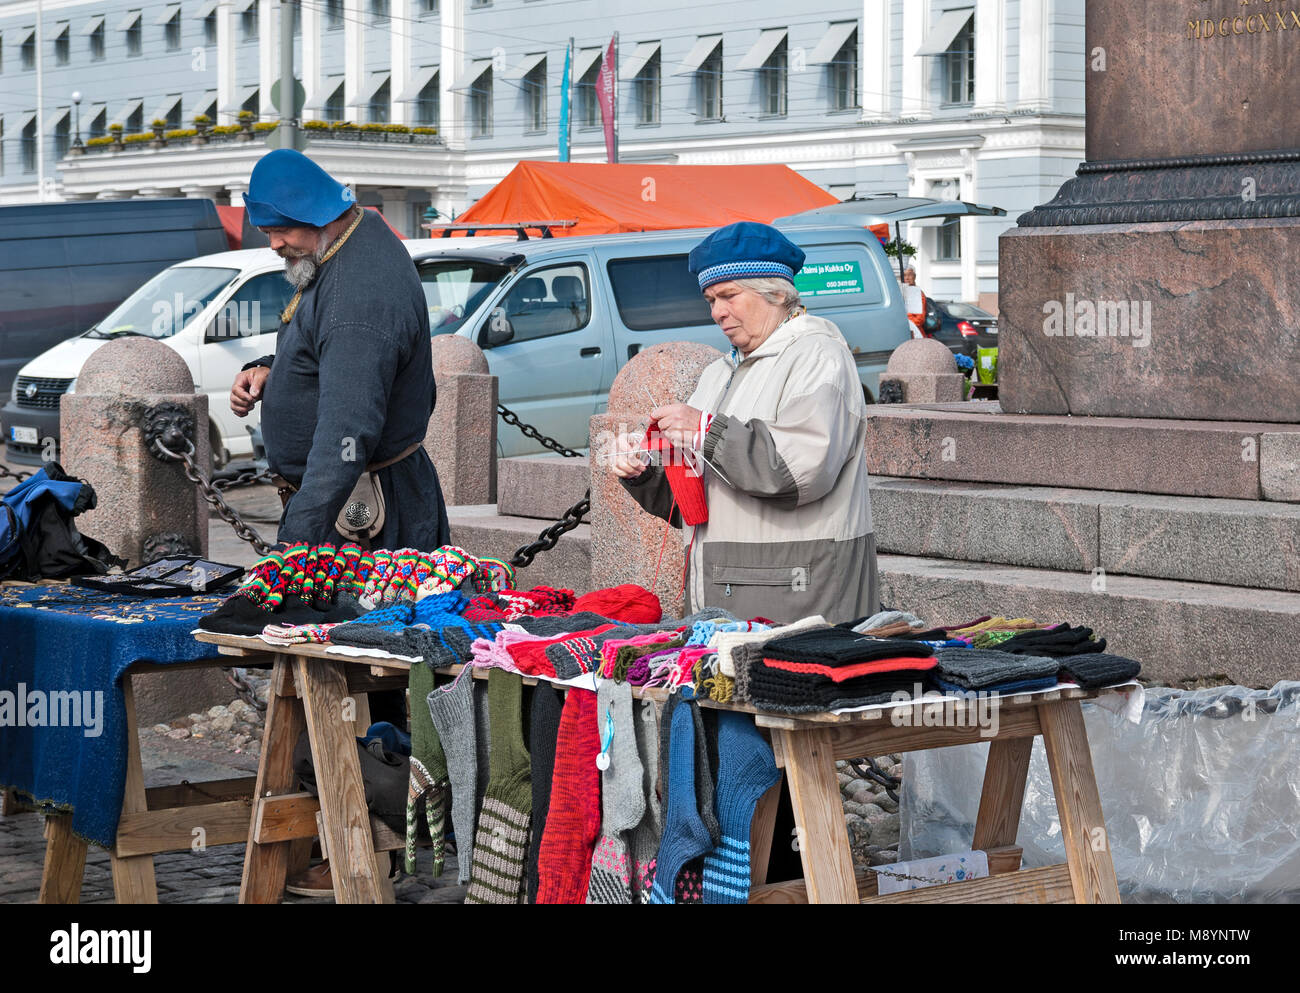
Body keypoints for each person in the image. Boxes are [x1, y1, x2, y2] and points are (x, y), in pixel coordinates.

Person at [608, 222, 879, 625]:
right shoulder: (717, 373)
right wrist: (644, 472)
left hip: (801, 595)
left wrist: (705, 430)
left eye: (729, 295)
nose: (717, 311)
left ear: (775, 292)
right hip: (732, 594)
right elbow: (696, 500)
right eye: (710, 299)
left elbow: (798, 470)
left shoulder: (819, 356)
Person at [229, 149, 450, 552]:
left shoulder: (357, 295)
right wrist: (271, 370)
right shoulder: (344, 244)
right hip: (354, 497)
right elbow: (328, 352)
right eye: (266, 232)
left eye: (283, 230)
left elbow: (346, 431)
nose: (275, 244)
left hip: (366, 513)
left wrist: (295, 544)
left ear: (320, 215)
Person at [901, 266, 928, 337]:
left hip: (915, 334)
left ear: (914, 277)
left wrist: (903, 321)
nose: (907, 278)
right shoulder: (901, 292)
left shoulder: (917, 293)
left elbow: (920, 319)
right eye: (904, 275)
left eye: (910, 275)